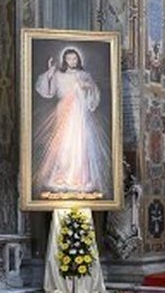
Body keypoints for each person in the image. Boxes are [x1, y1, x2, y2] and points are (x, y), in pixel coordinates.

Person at [34, 46, 110, 199]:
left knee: (80, 145)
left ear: (78, 60)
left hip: (80, 114)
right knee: (64, 145)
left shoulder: (84, 75)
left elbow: (94, 95)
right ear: (65, 60)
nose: (72, 61)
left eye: (74, 58)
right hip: (64, 112)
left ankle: (79, 178)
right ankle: (62, 176)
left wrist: (87, 87)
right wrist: (49, 73)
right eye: (69, 58)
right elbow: (48, 91)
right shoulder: (59, 75)